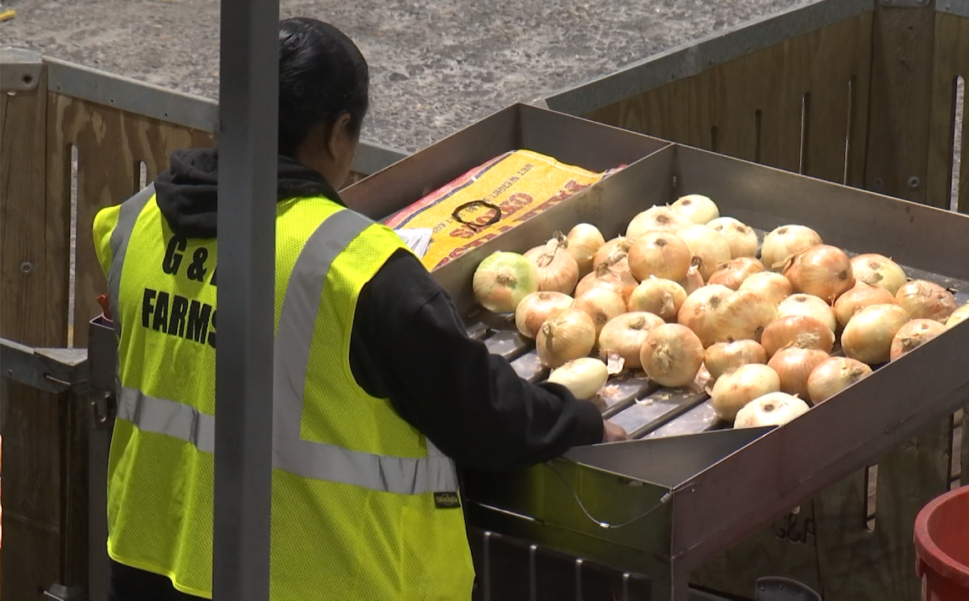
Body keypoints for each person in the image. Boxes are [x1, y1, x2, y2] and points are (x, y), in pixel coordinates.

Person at [93, 16, 627, 601]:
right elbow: (481, 411)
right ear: (338, 132)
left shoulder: (135, 222)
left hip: (153, 566)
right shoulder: (355, 267)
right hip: (319, 581)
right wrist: (580, 420)